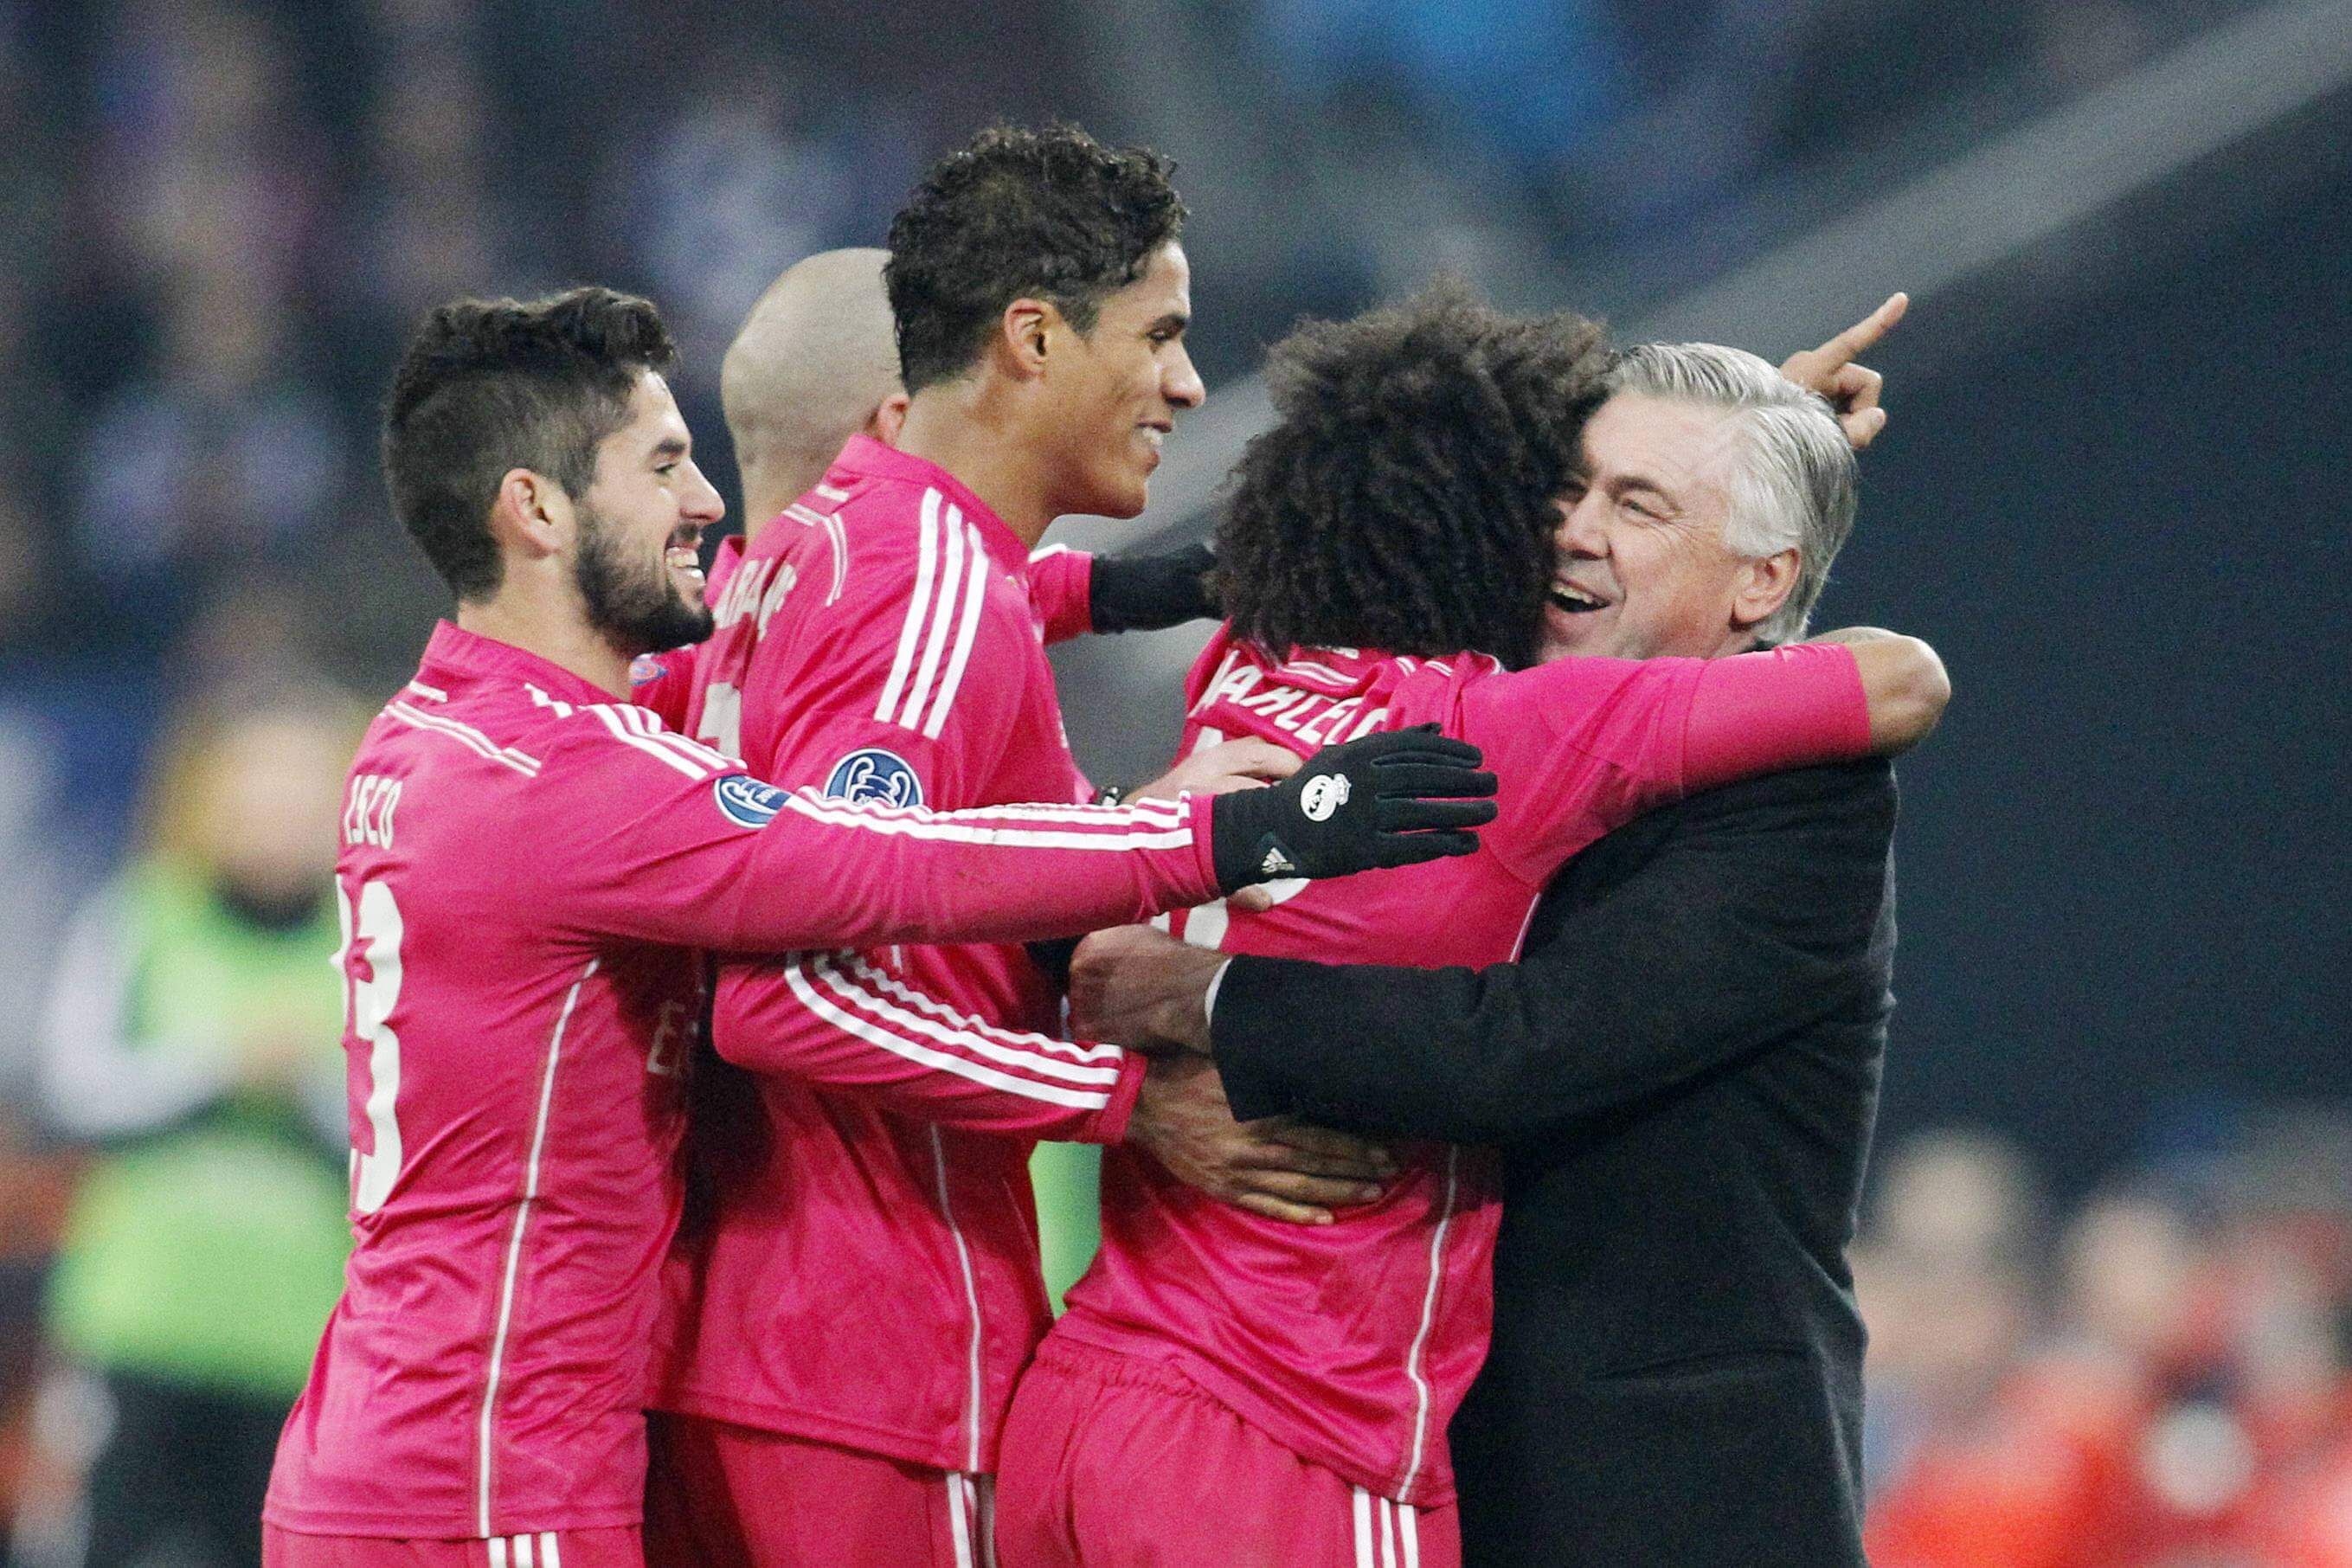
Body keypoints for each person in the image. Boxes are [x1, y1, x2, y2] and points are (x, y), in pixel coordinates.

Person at [257, 284, 1494, 1568]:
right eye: (664, 464)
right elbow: (889, 865)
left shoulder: (439, 735)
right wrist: (1239, 834)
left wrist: (1100, 590)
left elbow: (766, 611)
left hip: (396, 1442)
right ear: (535, 509)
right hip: (496, 1478)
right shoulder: (578, 785)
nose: (708, 503)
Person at [994, 284, 1946, 1568]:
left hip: (1655, 1496)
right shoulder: (1461, 697)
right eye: (1564, 488)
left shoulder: (1796, 800)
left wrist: (1200, 1004)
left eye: (1637, 505)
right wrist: (1146, 1091)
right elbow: (1381, 497)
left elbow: (1532, 1046)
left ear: (1762, 579)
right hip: (1374, 1452)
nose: (1572, 532)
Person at [642, 126, 1428, 1568]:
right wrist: (1127, 1095)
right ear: (1031, 340)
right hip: (871, 1346)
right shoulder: (927, 591)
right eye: (1159, 336)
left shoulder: (816, 552)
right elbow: (788, 990)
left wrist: (1119, 625)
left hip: (748, 1335)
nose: (1187, 385)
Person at [35, 690, 358, 1568]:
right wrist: (217, 1067)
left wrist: (308, 1091)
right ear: (206, 791)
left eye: (303, 779)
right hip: (136, 1333)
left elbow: (411, 1142)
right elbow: (71, 1091)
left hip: (299, 1355)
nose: (278, 802)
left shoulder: (374, 947)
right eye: (257, 775)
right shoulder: (139, 919)